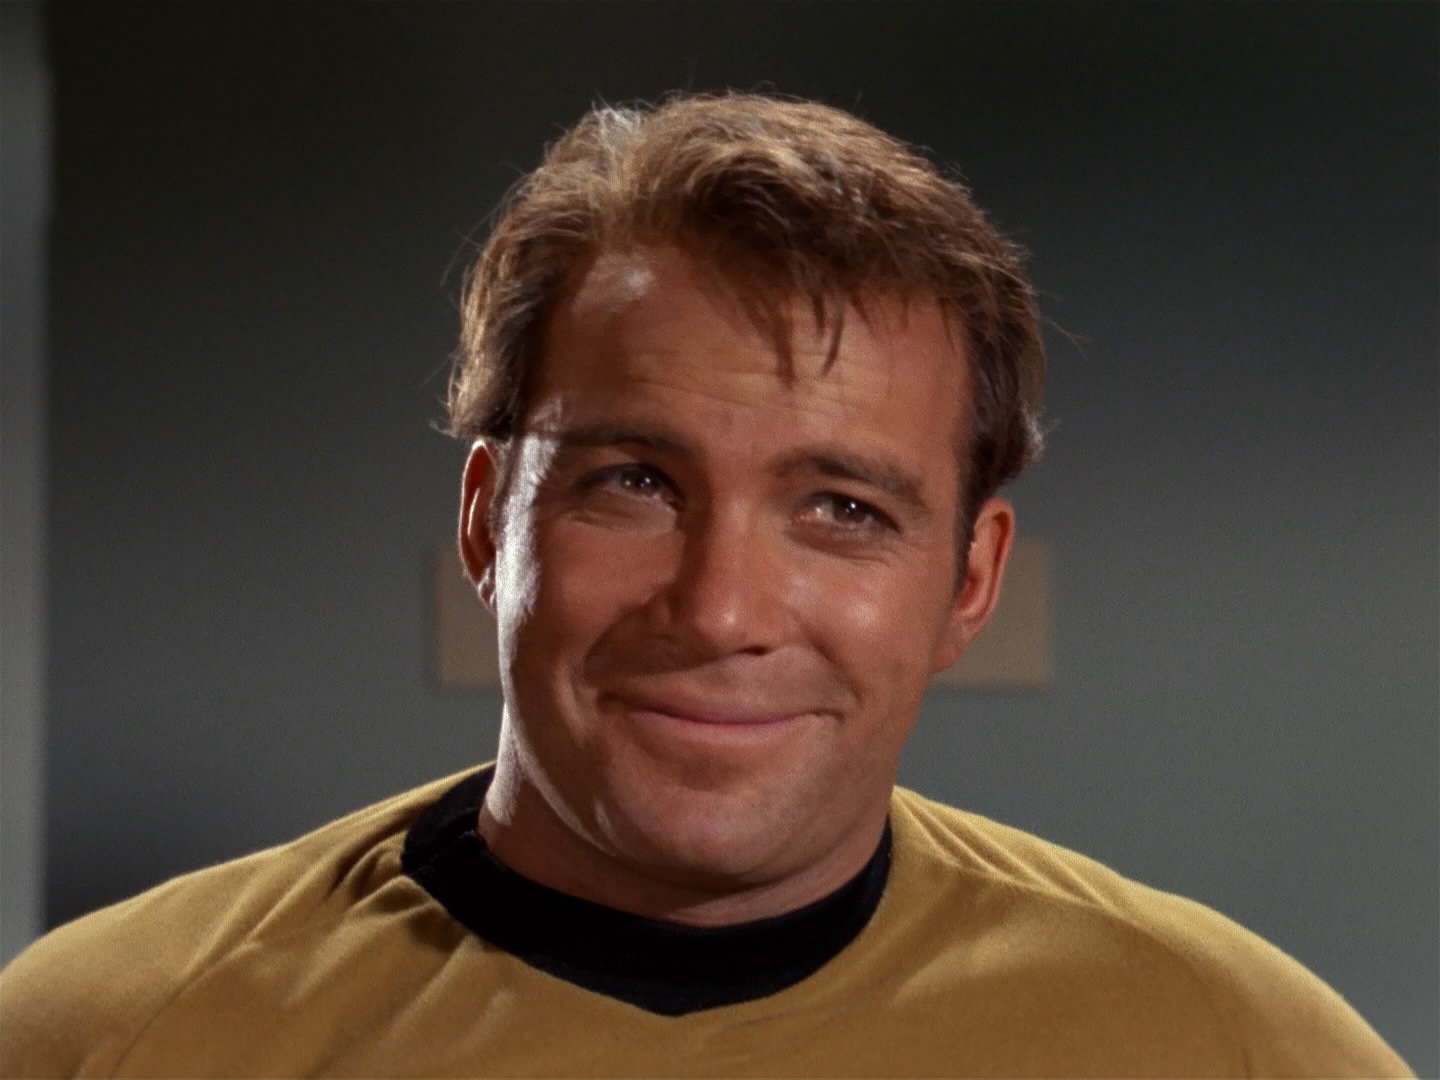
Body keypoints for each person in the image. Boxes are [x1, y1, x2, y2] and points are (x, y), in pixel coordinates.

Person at [0, 92, 1411, 1078]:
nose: (722, 610)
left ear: (969, 584)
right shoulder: (93, 1039)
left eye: (843, 510)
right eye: (634, 482)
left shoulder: (1234, 1047)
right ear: (488, 520)